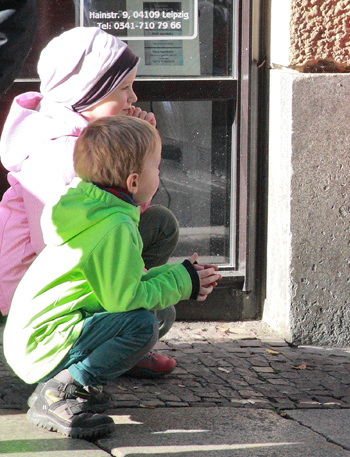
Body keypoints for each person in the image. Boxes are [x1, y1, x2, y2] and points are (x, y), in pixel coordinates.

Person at [3, 115, 221, 439]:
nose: (160, 173)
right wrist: (181, 282)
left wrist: (181, 276)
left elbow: (123, 286)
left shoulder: (92, 204)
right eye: (157, 167)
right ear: (133, 182)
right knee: (142, 325)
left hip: (33, 340)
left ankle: (71, 380)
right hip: (42, 348)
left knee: (158, 312)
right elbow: (124, 299)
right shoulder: (115, 227)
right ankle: (61, 391)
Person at [0, 27, 179, 378]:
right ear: (87, 92)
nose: (133, 97)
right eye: (123, 87)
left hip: (73, 266)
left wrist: (138, 145)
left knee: (159, 224)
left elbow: (121, 210)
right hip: (32, 295)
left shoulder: (87, 138)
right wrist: (133, 286)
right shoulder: (59, 153)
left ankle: (118, 344)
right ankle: (91, 360)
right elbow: (56, 246)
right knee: (156, 313)